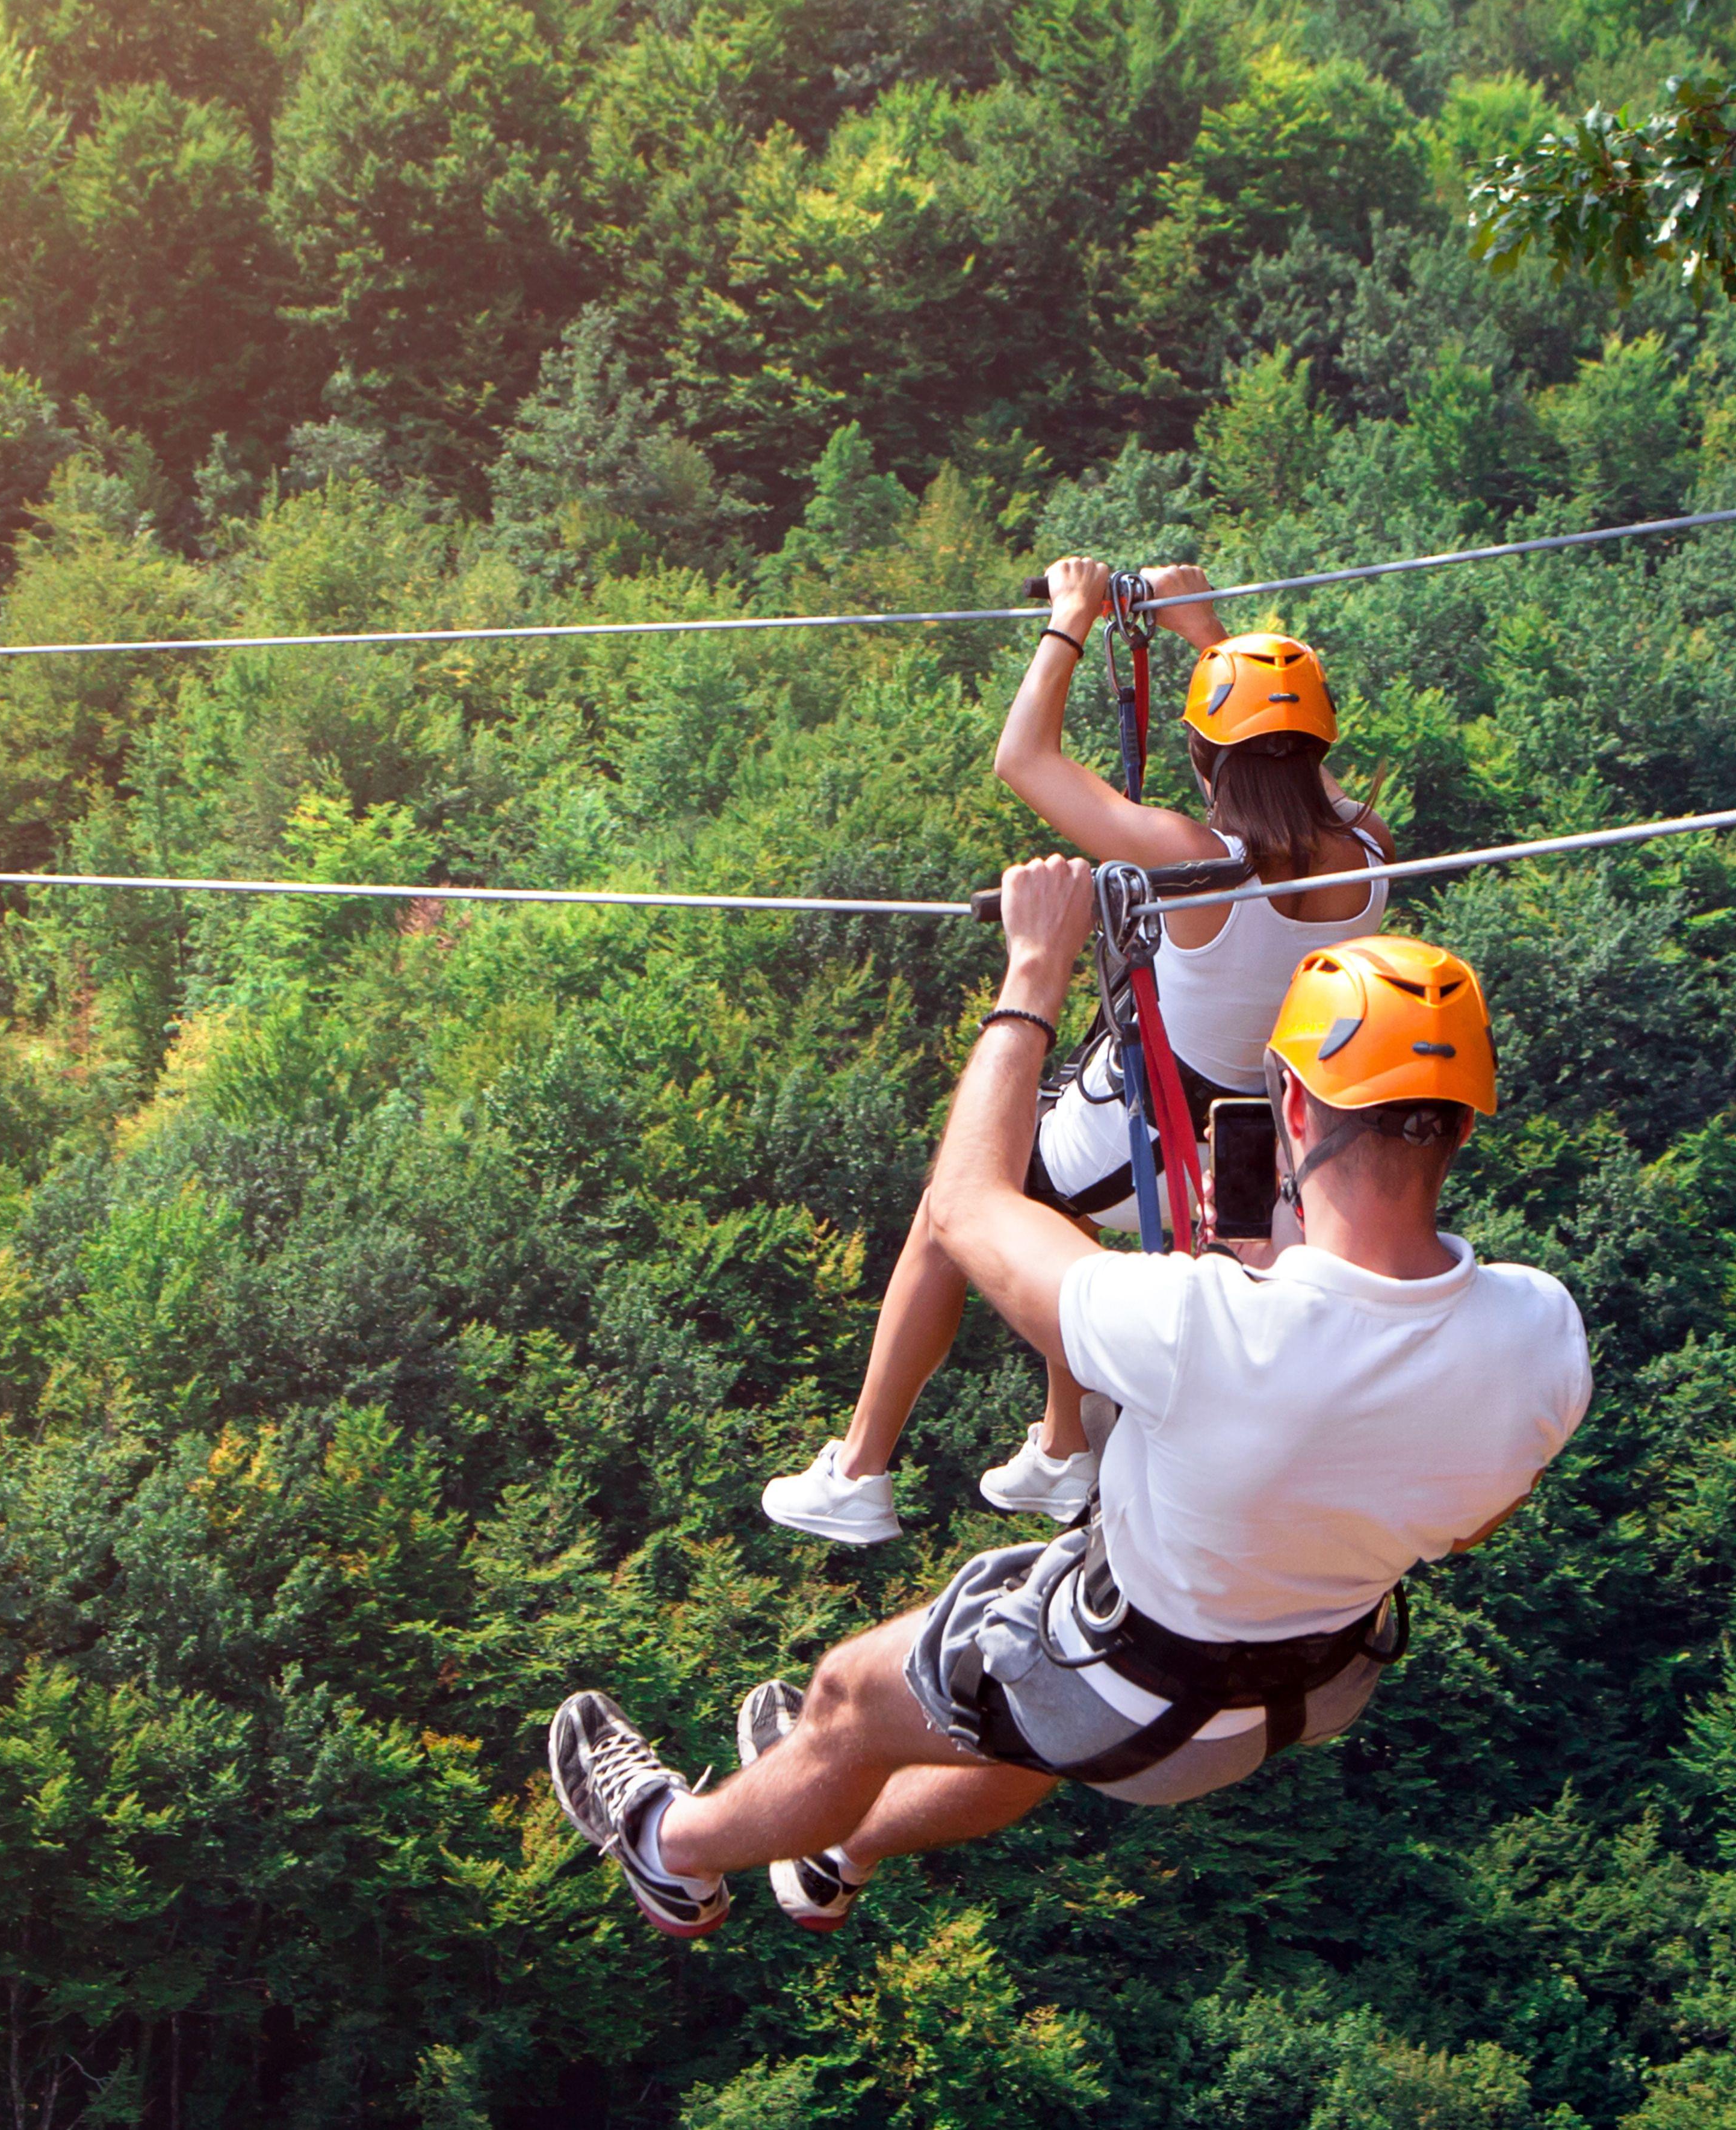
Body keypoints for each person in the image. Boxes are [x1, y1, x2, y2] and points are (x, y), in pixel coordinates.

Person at [551, 861, 1589, 1939]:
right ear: (1463, 1126)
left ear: (1287, 1100)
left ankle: (668, 1850)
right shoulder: (1541, 1334)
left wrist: (1034, 972)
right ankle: (835, 1853)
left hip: (1130, 1688)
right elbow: (1471, 1521)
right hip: (1304, 1689)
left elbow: (964, 1206)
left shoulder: (1198, 1324)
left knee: (847, 1702)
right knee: (1017, 1722)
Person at [761, 557, 1397, 1545]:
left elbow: (1023, 759)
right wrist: (1205, 633)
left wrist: (1069, 619)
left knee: (953, 1204)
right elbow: (1294, 767)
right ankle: (1064, 1449)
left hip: (1153, 1128)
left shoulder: (1192, 859)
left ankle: (858, 1470)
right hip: (1255, 1144)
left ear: (1201, 752)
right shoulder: (1371, 851)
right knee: (1059, 1205)